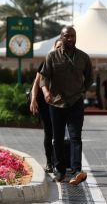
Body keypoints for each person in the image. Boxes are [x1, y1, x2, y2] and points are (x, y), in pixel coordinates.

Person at [40, 26, 93, 185]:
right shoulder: (52, 56)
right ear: (61, 37)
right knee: (57, 138)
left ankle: (77, 170)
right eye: (66, 36)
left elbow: (89, 78)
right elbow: (43, 78)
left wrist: (82, 91)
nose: (70, 39)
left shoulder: (83, 57)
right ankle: (60, 171)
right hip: (56, 103)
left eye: (73, 36)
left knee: (75, 136)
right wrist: (46, 93)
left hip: (76, 102)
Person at [30, 39, 62, 173]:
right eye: (58, 46)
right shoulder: (46, 62)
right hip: (43, 101)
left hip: (58, 101)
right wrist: (33, 100)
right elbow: (36, 83)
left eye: (63, 46)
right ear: (54, 47)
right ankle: (49, 162)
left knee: (58, 132)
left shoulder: (66, 64)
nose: (60, 49)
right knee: (49, 132)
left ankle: (59, 162)